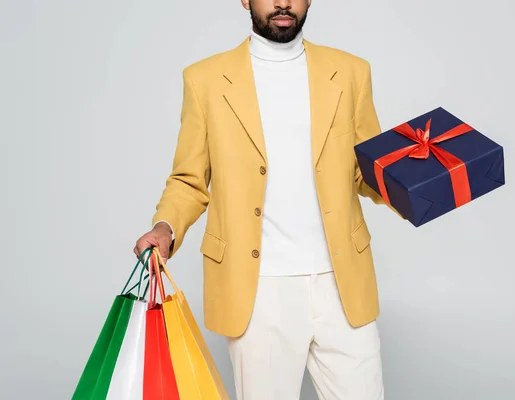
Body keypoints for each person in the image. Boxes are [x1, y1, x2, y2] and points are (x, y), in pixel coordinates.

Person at [134, 0, 402, 398]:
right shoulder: (205, 80)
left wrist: (421, 183)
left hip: (342, 283)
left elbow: (367, 170)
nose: (282, 3)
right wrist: (165, 226)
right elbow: (189, 179)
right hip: (257, 290)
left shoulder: (350, 72)